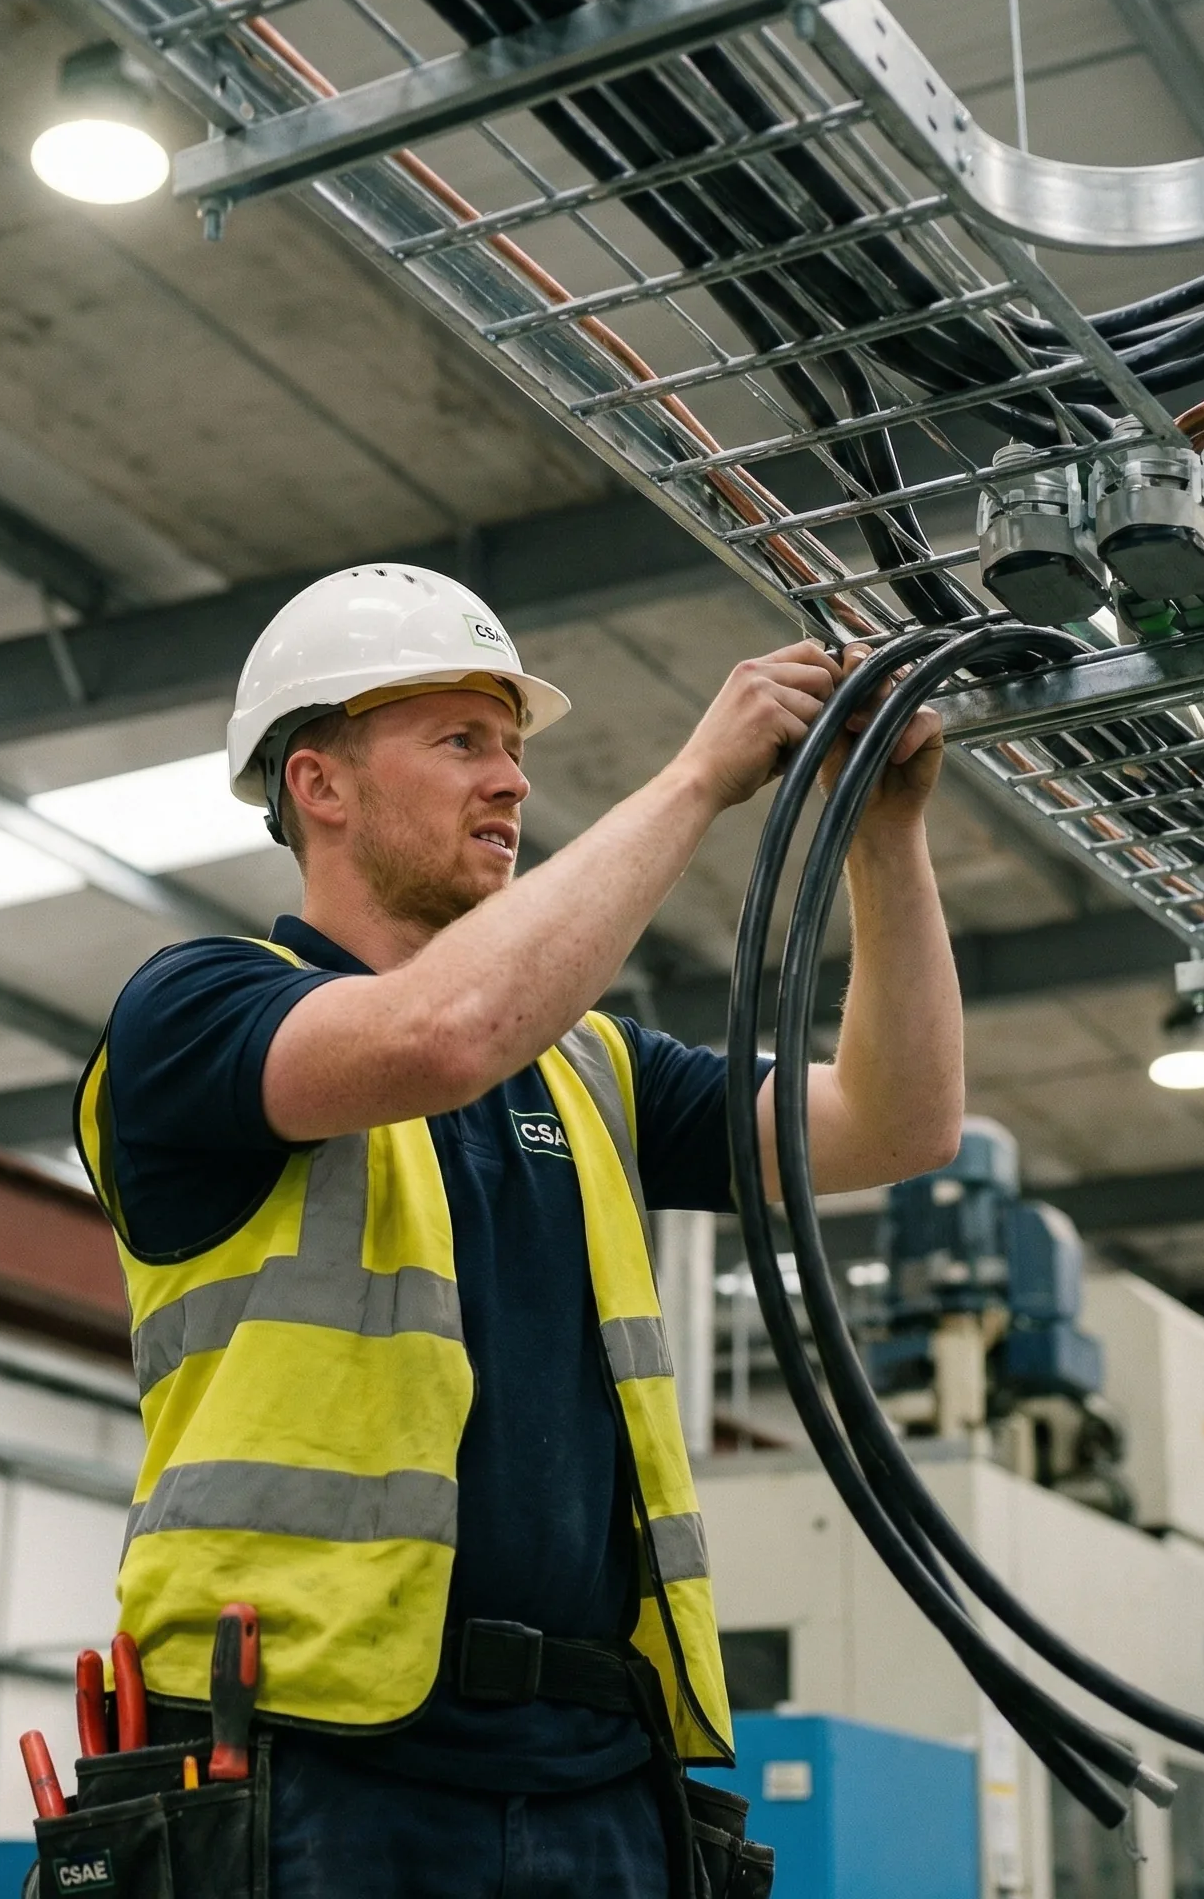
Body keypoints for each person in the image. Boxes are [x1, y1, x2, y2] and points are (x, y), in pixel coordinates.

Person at [72, 564, 961, 1899]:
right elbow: (442, 1032)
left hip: (597, 1771)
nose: (512, 782)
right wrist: (696, 779)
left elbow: (897, 1126)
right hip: (319, 1769)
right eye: (461, 742)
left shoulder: (589, 1067)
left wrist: (886, 839)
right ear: (318, 784)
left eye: (512, 747)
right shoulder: (194, 1014)